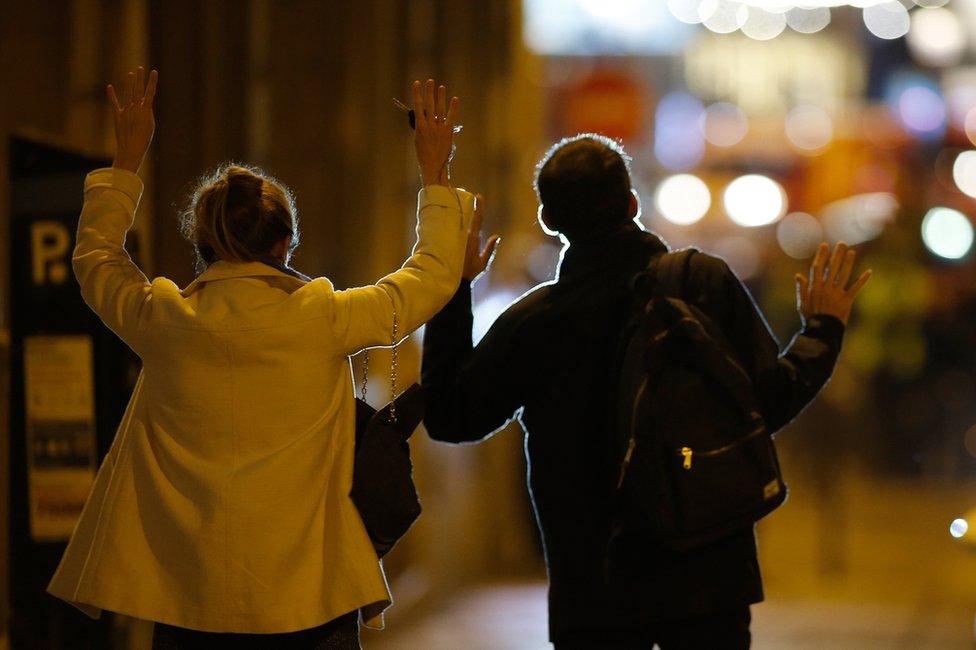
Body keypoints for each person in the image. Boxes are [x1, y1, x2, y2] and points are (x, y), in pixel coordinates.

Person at [47, 67, 474, 648]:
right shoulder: (323, 318)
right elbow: (430, 276)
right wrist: (434, 169)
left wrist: (126, 160)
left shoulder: (163, 320)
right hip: (310, 598)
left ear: (202, 245)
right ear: (284, 245)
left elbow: (95, 258)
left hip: (188, 598)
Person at [420, 133, 871, 649]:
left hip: (595, 592)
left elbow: (450, 415)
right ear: (633, 204)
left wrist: (455, 293)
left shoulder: (536, 323)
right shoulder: (701, 284)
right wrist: (822, 330)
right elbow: (769, 401)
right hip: (709, 576)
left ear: (549, 220)